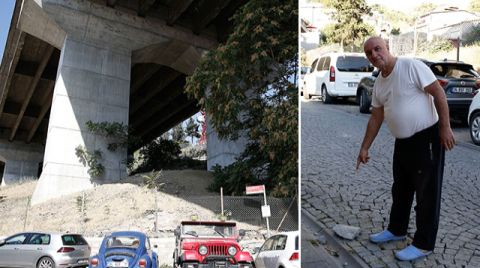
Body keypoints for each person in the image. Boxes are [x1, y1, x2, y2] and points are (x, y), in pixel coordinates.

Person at [356, 37, 455, 261]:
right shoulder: (380, 82)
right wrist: (364, 148)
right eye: (369, 53)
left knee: (427, 194)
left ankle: (423, 244)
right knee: (400, 190)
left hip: (426, 139)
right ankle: (396, 229)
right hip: (402, 143)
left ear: (387, 47)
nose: (374, 55)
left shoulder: (410, 66)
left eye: (377, 49)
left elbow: (438, 93)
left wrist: (445, 127)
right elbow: (376, 117)